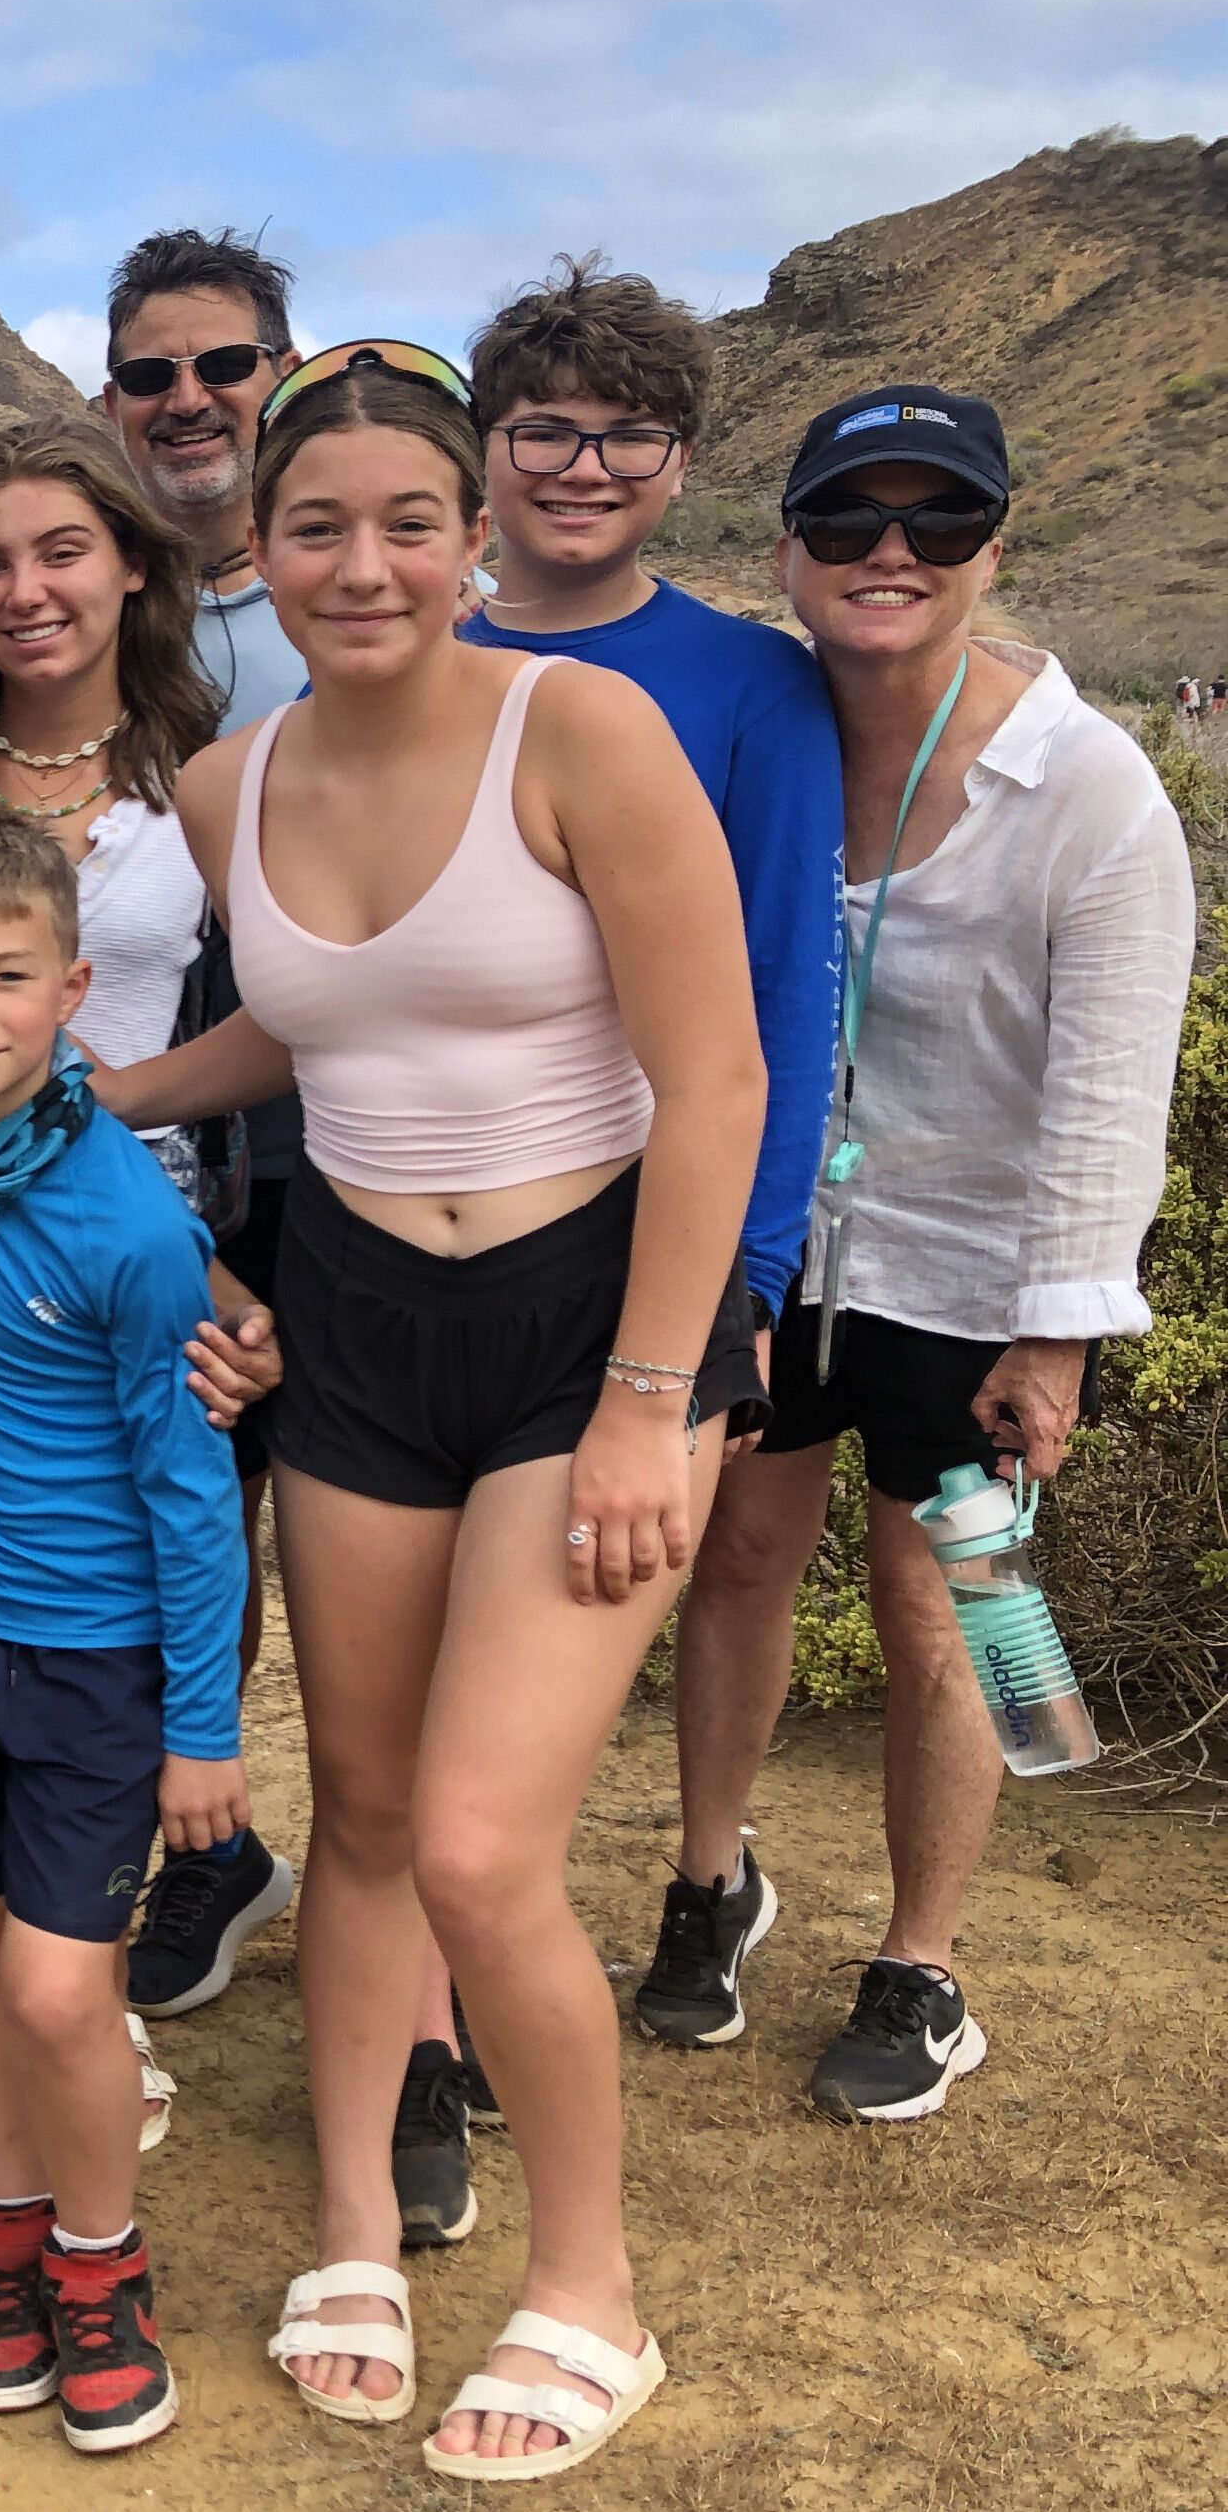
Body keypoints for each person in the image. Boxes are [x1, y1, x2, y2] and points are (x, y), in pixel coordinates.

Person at [102, 343, 764, 2481]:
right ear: (261, 547)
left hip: (594, 1327)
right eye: (318, 527)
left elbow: (719, 1077)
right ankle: (358, 2232)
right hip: (364, 1316)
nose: (363, 564)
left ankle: (592, 2294)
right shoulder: (233, 786)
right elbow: (319, 1034)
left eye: (409, 522)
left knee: (482, 1847)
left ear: (474, 537)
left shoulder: (580, 730)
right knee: (369, 1820)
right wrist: (99, 1099)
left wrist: (652, 1402)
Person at [660, 386, 1193, 2118]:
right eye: (849, 520)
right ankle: (711, 1879)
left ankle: (924, 1962)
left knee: (950, 1603)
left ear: (994, 545)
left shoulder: (1090, 788)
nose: (890, 552)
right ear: (787, 550)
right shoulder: (762, 731)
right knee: (737, 1559)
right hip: (778, 1246)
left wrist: (1058, 1337)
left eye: (938, 520)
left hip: (975, 1277)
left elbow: (1111, 1088)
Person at [414, 263, 843, 2224]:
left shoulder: (752, 690)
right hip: (417, 1257)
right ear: (487, 449)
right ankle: (426, 2047)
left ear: (678, 464)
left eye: (627, 436)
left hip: (653, 1266)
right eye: (547, 430)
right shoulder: (406, 650)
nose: (583, 468)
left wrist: (737, 1290)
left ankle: (550, 1999)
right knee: (413, 1687)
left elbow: (774, 1008)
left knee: (548, 1667)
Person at [0, 420, 248, 2173]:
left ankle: (96, 1987)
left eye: (62, 551)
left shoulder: (210, 780)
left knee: (137, 1564)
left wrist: (107, 1126)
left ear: (132, 566)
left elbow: (293, 1017)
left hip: (136, 1238)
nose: (26, 590)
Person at [0, 813, 249, 2449]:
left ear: (73, 990)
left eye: (9, 978)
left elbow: (192, 1489)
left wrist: (205, 1727)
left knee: (59, 1988)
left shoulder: (131, 1229)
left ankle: (103, 2265)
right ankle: (9, 2245)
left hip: (91, 1658)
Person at [90, 229, 313, 2024]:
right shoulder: (103, 616)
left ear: (279, 380)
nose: (189, 401)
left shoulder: (362, 593)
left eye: (223, 366)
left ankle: (424, 1925)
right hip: (186, 1141)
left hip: (370, 1139)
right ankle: (206, 1843)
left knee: (379, 1523)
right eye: (152, 375)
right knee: (197, 1497)